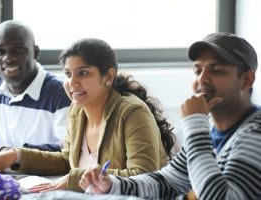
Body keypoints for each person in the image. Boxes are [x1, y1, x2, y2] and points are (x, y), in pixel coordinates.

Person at [79, 32, 261, 200]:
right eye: (198, 71)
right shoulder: (212, 132)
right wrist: (111, 185)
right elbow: (167, 182)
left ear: (246, 80)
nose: (202, 79)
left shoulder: (255, 133)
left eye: (217, 70)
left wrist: (196, 122)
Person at [0, 38, 175, 192]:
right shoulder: (77, 110)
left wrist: (75, 179)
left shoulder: (132, 112)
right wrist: (15, 155)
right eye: (67, 74)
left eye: (83, 73)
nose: (72, 84)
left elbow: (144, 176)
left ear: (108, 77)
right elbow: (67, 161)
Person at [0, 20, 71, 150]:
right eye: (0, 51)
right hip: (2, 171)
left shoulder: (60, 93)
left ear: (35, 52)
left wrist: (16, 156)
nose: (8, 58)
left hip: (43, 171)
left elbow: (68, 149)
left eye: (18, 50)